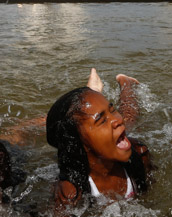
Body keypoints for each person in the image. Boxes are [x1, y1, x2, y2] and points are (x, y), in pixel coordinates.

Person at [45, 71, 153, 207]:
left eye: (112, 110)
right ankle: (93, 91)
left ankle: (126, 83)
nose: (117, 120)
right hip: (80, 151)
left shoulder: (139, 153)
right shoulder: (71, 193)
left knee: (129, 119)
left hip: (108, 139)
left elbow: (149, 197)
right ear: (82, 144)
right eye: (101, 121)